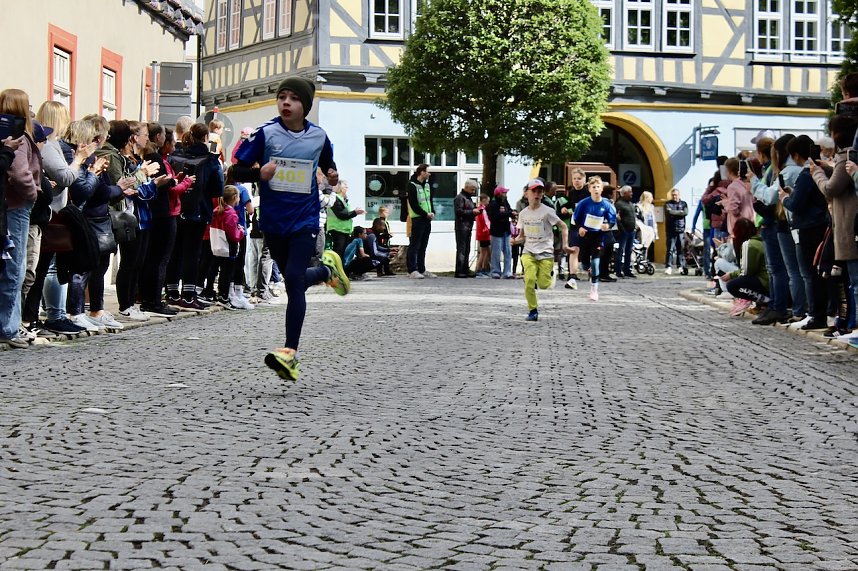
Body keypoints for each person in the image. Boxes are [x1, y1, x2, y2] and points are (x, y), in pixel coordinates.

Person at [233, 76, 349, 382]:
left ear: (305, 106)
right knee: (293, 280)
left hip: (305, 218)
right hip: (273, 219)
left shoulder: (319, 137)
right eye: (282, 96)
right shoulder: (265, 133)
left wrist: (333, 177)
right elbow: (236, 170)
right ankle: (327, 273)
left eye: (294, 98)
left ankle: (290, 353)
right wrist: (259, 173)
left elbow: (329, 166)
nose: (286, 102)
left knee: (294, 280)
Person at [0, 89, 41, 347]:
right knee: (15, 267)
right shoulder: (17, 137)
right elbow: (19, 173)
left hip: (11, 205)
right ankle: (8, 326)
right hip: (17, 206)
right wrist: (33, 193)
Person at [813, 114, 858, 340]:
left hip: (849, 226)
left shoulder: (847, 156)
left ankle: (852, 326)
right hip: (848, 225)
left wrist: (818, 173)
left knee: (853, 282)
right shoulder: (846, 157)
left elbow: (831, 189)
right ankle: (849, 323)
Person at [781, 134, 830, 331]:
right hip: (821, 224)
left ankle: (815, 315)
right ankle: (819, 313)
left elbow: (796, 204)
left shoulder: (806, 174)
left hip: (808, 228)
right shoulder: (823, 170)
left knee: (809, 274)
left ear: (795, 154)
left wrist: (785, 198)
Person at [515, 178, 571, 321]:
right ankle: (532, 310)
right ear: (526, 193)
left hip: (545, 252)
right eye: (534, 191)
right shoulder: (523, 214)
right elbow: (522, 236)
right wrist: (515, 241)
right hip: (529, 252)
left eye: (540, 191)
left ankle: (551, 274)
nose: (537, 194)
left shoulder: (548, 211)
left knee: (544, 285)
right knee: (529, 280)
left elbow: (563, 226)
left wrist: (564, 245)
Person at [573, 176, 617, 301]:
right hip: (585, 235)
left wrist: (607, 225)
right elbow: (575, 219)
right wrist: (580, 228)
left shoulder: (606, 205)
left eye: (598, 187)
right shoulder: (584, 203)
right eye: (593, 187)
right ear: (589, 189)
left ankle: (594, 290)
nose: (596, 189)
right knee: (585, 263)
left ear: (602, 189)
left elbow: (612, 220)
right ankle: (588, 269)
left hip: (598, 236)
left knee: (596, 261)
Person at [205, 185, 246, 308]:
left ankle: (212, 292)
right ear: (234, 197)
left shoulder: (217, 210)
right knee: (227, 273)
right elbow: (233, 235)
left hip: (217, 245)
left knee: (215, 269)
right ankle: (223, 296)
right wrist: (241, 232)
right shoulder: (231, 213)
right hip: (229, 248)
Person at [720, 217, 770, 316]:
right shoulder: (760, 241)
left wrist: (732, 275)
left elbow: (747, 271)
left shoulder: (749, 244)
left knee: (732, 285)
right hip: (767, 280)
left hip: (764, 281)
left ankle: (766, 300)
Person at [326, 172, 364, 258]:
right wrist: (355, 212)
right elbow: (341, 214)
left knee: (342, 252)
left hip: (343, 230)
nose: (347, 188)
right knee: (338, 251)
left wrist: (356, 212)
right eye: (345, 186)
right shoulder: (335, 198)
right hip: (337, 229)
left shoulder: (343, 200)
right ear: (340, 188)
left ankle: (340, 269)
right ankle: (335, 270)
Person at [406, 163, 435, 278]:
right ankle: (412, 269)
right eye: (428, 171)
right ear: (422, 172)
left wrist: (432, 212)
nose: (429, 174)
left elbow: (429, 200)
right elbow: (413, 204)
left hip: (427, 219)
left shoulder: (427, 185)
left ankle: (421, 269)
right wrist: (425, 214)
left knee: (423, 245)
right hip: (417, 218)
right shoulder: (412, 185)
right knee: (415, 244)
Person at [562, 167, 588, 289]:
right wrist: (564, 208)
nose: (576, 181)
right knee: (574, 249)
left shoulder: (588, 193)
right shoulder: (572, 193)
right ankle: (572, 276)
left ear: (584, 179)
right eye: (574, 179)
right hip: (574, 225)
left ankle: (592, 271)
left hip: (587, 226)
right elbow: (570, 204)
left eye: (579, 179)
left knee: (588, 252)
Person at [453, 178, 479, 277]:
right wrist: (472, 212)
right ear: (467, 187)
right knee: (462, 249)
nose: (473, 192)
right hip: (461, 226)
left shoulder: (468, 198)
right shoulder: (460, 198)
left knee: (467, 249)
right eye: (472, 189)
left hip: (468, 226)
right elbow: (459, 211)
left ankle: (465, 268)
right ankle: (459, 270)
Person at [488, 185, 513, 279]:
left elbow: (509, 211)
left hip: (506, 230)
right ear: (498, 194)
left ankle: (507, 272)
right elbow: (494, 216)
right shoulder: (493, 204)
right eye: (504, 192)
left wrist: (512, 213)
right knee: (496, 252)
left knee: (508, 251)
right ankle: (495, 271)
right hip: (496, 231)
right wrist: (507, 214)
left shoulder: (506, 203)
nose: (505, 194)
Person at [664, 187, 688, 275]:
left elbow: (685, 212)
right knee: (670, 249)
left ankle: (680, 266)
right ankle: (668, 266)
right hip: (671, 229)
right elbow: (668, 213)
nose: (674, 196)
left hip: (681, 229)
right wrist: (679, 213)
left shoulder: (684, 203)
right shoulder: (667, 203)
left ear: (679, 195)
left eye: (676, 195)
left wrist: (674, 213)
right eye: (673, 195)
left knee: (680, 249)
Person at [474, 193, 491, 277]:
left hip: (482, 232)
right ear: (484, 200)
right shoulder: (482, 210)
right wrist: (489, 230)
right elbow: (486, 222)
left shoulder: (479, 209)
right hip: (484, 233)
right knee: (483, 252)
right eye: (488, 201)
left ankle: (483, 268)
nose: (488, 202)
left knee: (486, 251)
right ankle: (479, 269)